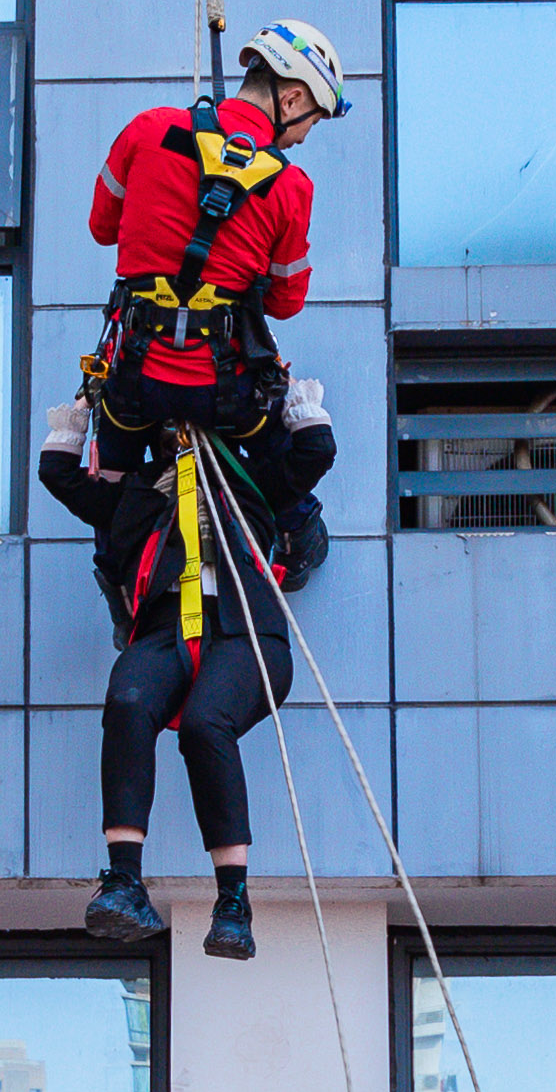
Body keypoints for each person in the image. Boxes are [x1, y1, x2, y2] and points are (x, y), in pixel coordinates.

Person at [66, 19, 346, 954]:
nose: (306, 135)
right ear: (294, 96)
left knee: (132, 457)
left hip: (137, 382)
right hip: (223, 392)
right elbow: (283, 298)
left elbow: (105, 226)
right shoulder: (289, 184)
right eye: (310, 117)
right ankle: (291, 532)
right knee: (277, 471)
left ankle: (137, 877)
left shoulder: (147, 131)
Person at [39, 371, 340, 959]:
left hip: (246, 634)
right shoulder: (136, 499)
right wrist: (77, 413)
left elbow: (313, 456)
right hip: (165, 631)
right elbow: (59, 476)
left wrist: (296, 403)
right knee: (127, 698)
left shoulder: (248, 485)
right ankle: (124, 878)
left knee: (207, 725)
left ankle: (233, 901)